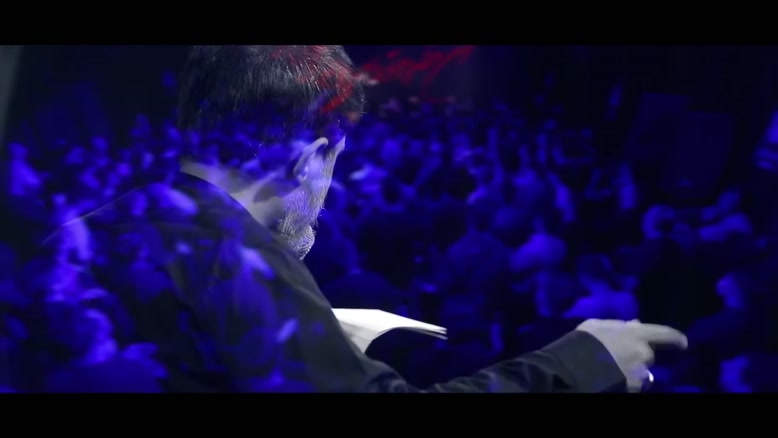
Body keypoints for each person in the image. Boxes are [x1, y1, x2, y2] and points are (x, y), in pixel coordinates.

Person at [15, 45, 687, 393]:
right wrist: (584, 363)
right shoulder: (240, 262)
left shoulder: (88, 230)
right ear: (310, 158)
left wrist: (316, 341)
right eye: (334, 163)